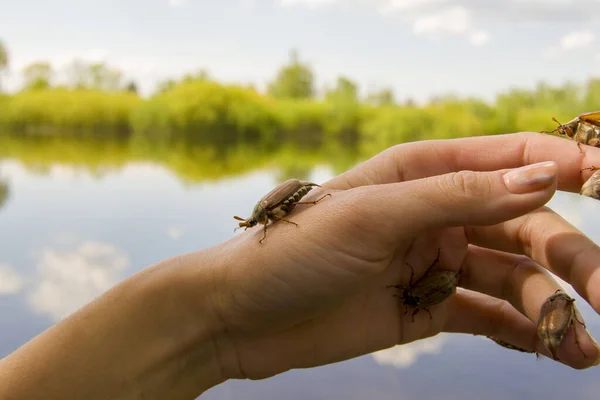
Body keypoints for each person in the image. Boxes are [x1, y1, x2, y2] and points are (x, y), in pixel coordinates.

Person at [1, 131, 599, 399]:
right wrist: (216, 322)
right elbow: (282, 212)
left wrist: (214, 324)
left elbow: (291, 204)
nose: (260, 225)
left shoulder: (286, 206)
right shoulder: (272, 219)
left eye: (259, 223)